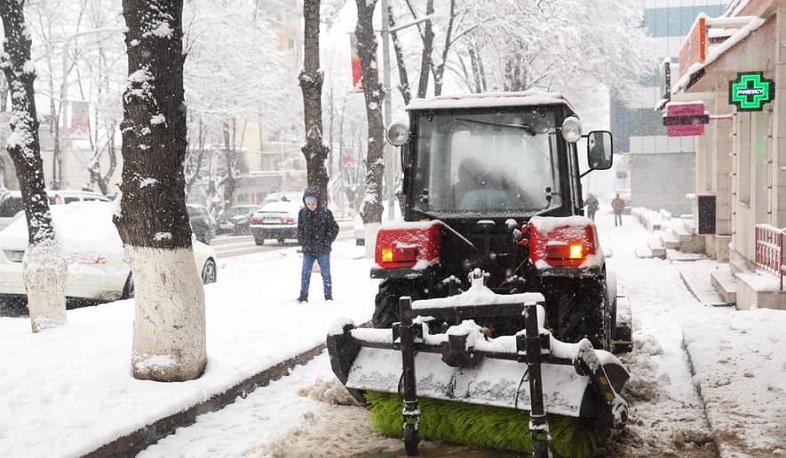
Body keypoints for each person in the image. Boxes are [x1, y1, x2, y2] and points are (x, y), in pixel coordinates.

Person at [295, 187, 339, 303]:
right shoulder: (302, 213)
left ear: (318, 201)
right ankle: (303, 296)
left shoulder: (325, 213)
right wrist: (303, 241)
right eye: (308, 202)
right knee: (305, 273)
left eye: (313, 202)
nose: (311, 205)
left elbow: (334, 229)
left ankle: (328, 296)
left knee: (325, 273)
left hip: (323, 250)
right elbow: (300, 230)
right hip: (308, 250)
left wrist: (327, 241)